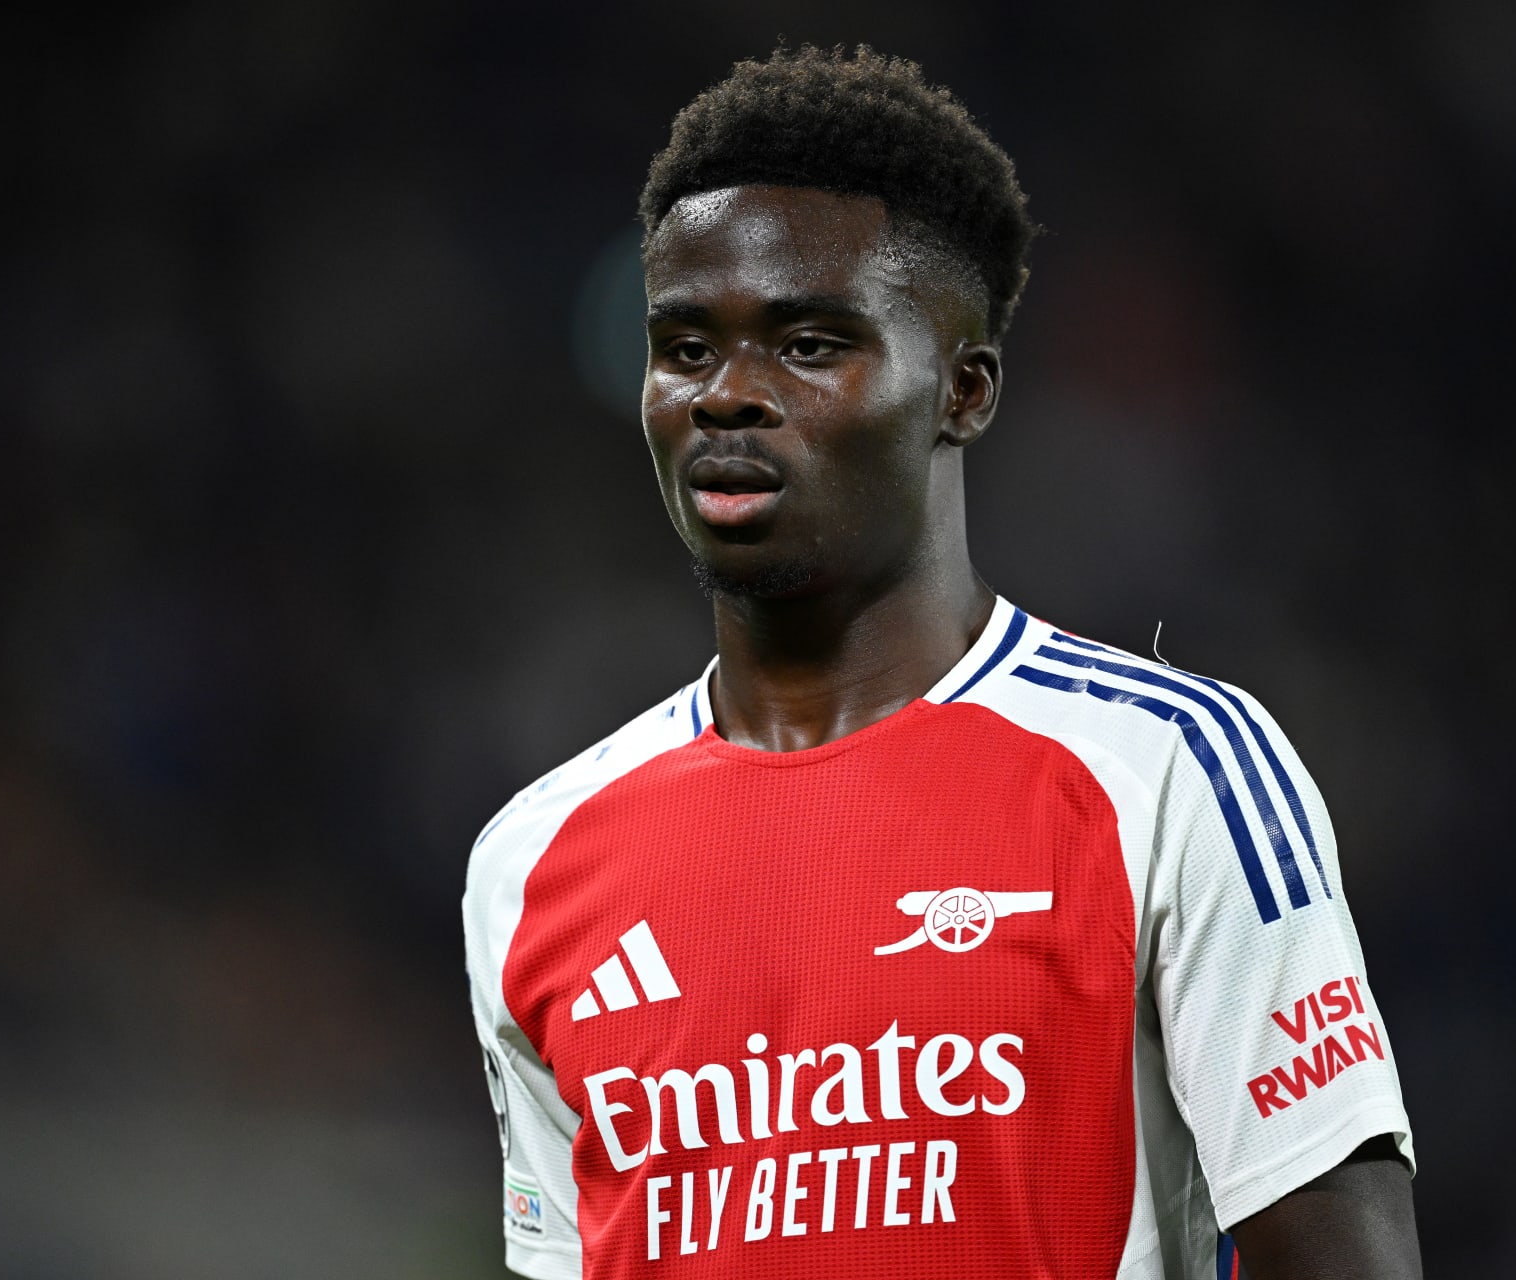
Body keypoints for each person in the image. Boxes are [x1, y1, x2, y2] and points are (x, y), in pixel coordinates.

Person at [464, 45, 1419, 1280]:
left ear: (963, 391)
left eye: (810, 344)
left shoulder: (1170, 771)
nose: (728, 395)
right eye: (686, 348)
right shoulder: (532, 864)